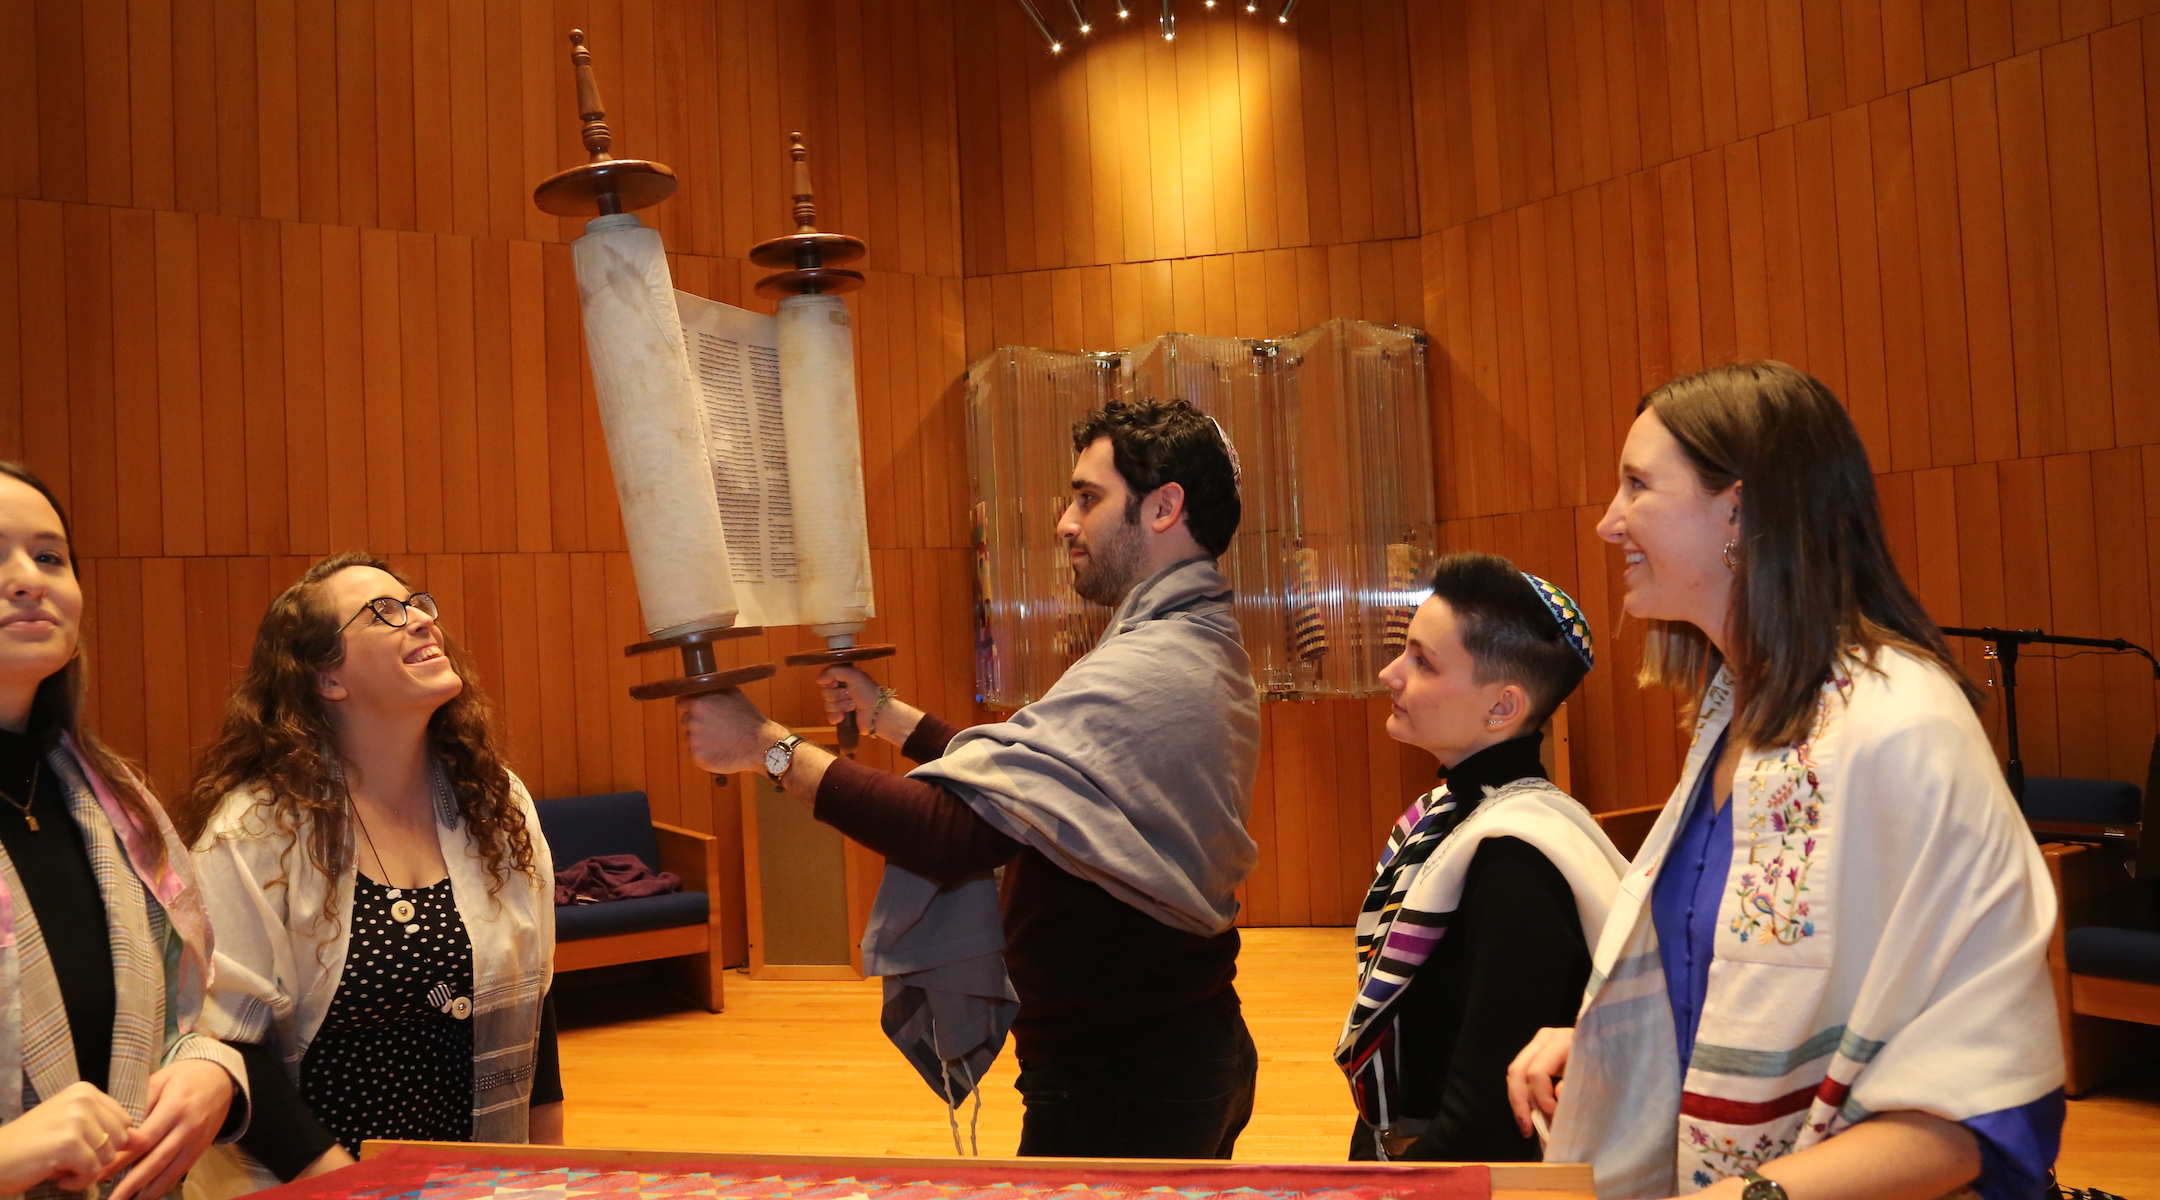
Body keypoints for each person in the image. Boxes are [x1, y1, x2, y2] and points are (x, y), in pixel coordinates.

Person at [1506, 362, 2062, 1200]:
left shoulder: (1902, 726)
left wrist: (1762, 1194)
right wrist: (1605, 1041)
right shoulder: (1738, 716)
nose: (1608, 523)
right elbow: (1734, 980)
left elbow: (1980, 1104)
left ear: (1738, 508)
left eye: (1636, 486)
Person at [680, 397, 1261, 1159]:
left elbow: (957, 833)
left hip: (1126, 1082)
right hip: (1155, 1055)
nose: (1064, 521)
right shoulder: (1185, 637)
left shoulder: (1156, 664)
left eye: (1088, 497)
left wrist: (766, 746)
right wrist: (892, 719)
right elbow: (1043, 795)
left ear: (1163, 507)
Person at [176, 553, 559, 1196]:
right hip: (311, 1182)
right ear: (327, 677)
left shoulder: (496, 803)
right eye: (385, 612)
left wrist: (548, 1173)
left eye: (419, 605)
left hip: (471, 1178)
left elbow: (532, 1000)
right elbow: (227, 1044)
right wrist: (350, 1189)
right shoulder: (254, 831)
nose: (420, 622)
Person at [0, 463, 246, 1200]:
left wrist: (210, 1070)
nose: (26, 578)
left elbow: (183, 1018)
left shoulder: (118, 807)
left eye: (49, 557)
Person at [1340, 553, 1626, 1163]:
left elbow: (1486, 1123)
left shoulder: (1517, 863)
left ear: (1502, 708)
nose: (1392, 672)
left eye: (1423, 661)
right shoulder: (1457, 812)